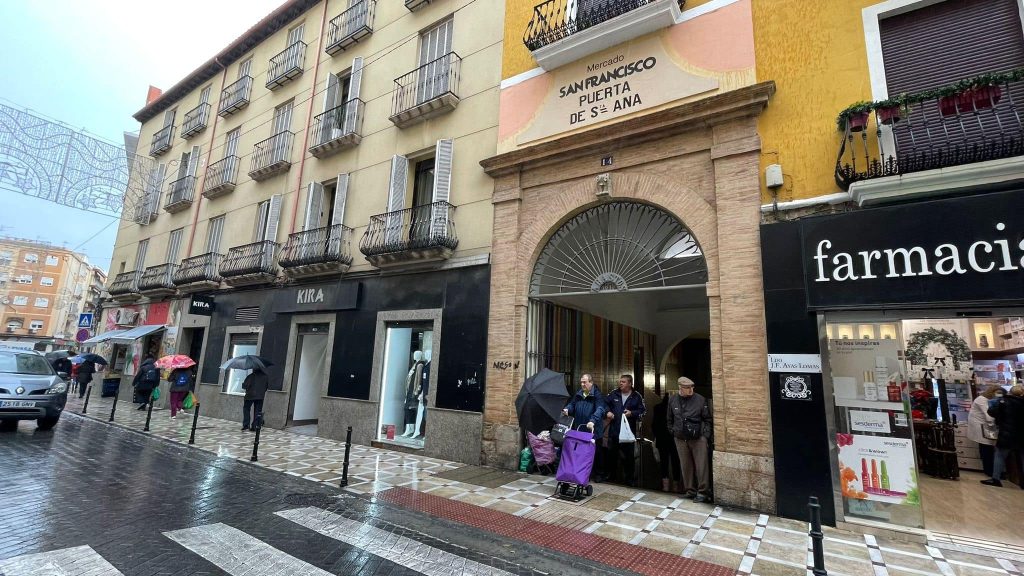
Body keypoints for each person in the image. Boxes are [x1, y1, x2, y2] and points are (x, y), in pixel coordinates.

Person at [669, 377, 713, 502]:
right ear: (680, 388)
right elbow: (669, 418)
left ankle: (703, 492)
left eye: (692, 387)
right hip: (680, 438)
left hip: (698, 438)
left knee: (701, 466)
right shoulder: (673, 400)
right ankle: (690, 490)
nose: (691, 390)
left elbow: (707, 419)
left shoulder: (700, 399)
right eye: (687, 388)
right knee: (685, 465)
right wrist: (673, 431)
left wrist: (705, 436)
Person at [604, 374, 646, 487]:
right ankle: (610, 476)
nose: (620, 383)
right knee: (611, 455)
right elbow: (604, 403)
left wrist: (632, 413)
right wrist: (607, 411)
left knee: (629, 457)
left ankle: (629, 479)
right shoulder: (614, 393)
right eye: (620, 381)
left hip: (628, 432)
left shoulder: (636, 396)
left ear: (630, 383)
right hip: (615, 431)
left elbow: (643, 411)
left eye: (623, 382)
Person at [983, 384, 1024, 488]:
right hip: (1021, 434)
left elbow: (991, 412)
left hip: (1006, 433)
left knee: (1000, 455)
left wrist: (994, 401)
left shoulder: (1003, 402)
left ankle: (996, 479)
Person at [967, 387, 1001, 477]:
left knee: (987, 448)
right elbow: (989, 416)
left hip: (984, 426)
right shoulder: (982, 400)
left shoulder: (986, 399)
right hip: (980, 426)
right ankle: (990, 471)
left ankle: (991, 470)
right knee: (986, 448)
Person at [562, 373, 607, 439]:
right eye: (581, 382)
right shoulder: (579, 394)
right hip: (579, 429)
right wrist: (567, 409)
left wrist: (592, 421)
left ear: (591, 382)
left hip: (593, 432)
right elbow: (572, 404)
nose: (582, 384)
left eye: (584, 382)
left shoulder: (597, 395)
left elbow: (600, 409)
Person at [654, 393, 682, 492]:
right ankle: (676, 486)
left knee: (664, 462)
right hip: (674, 439)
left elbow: (654, 425)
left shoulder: (657, 408)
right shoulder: (677, 409)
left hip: (662, 440)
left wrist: (656, 437)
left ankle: (665, 486)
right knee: (676, 462)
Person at [241, 367, 269, 431]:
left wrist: (244, 383)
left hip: (249, 396)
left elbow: (245, 386)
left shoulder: (251, 376)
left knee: (246, 409)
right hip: (260, 396)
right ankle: (254, 426)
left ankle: (246, 425)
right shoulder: (265, 377)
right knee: (257, 411)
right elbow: (266, 387)